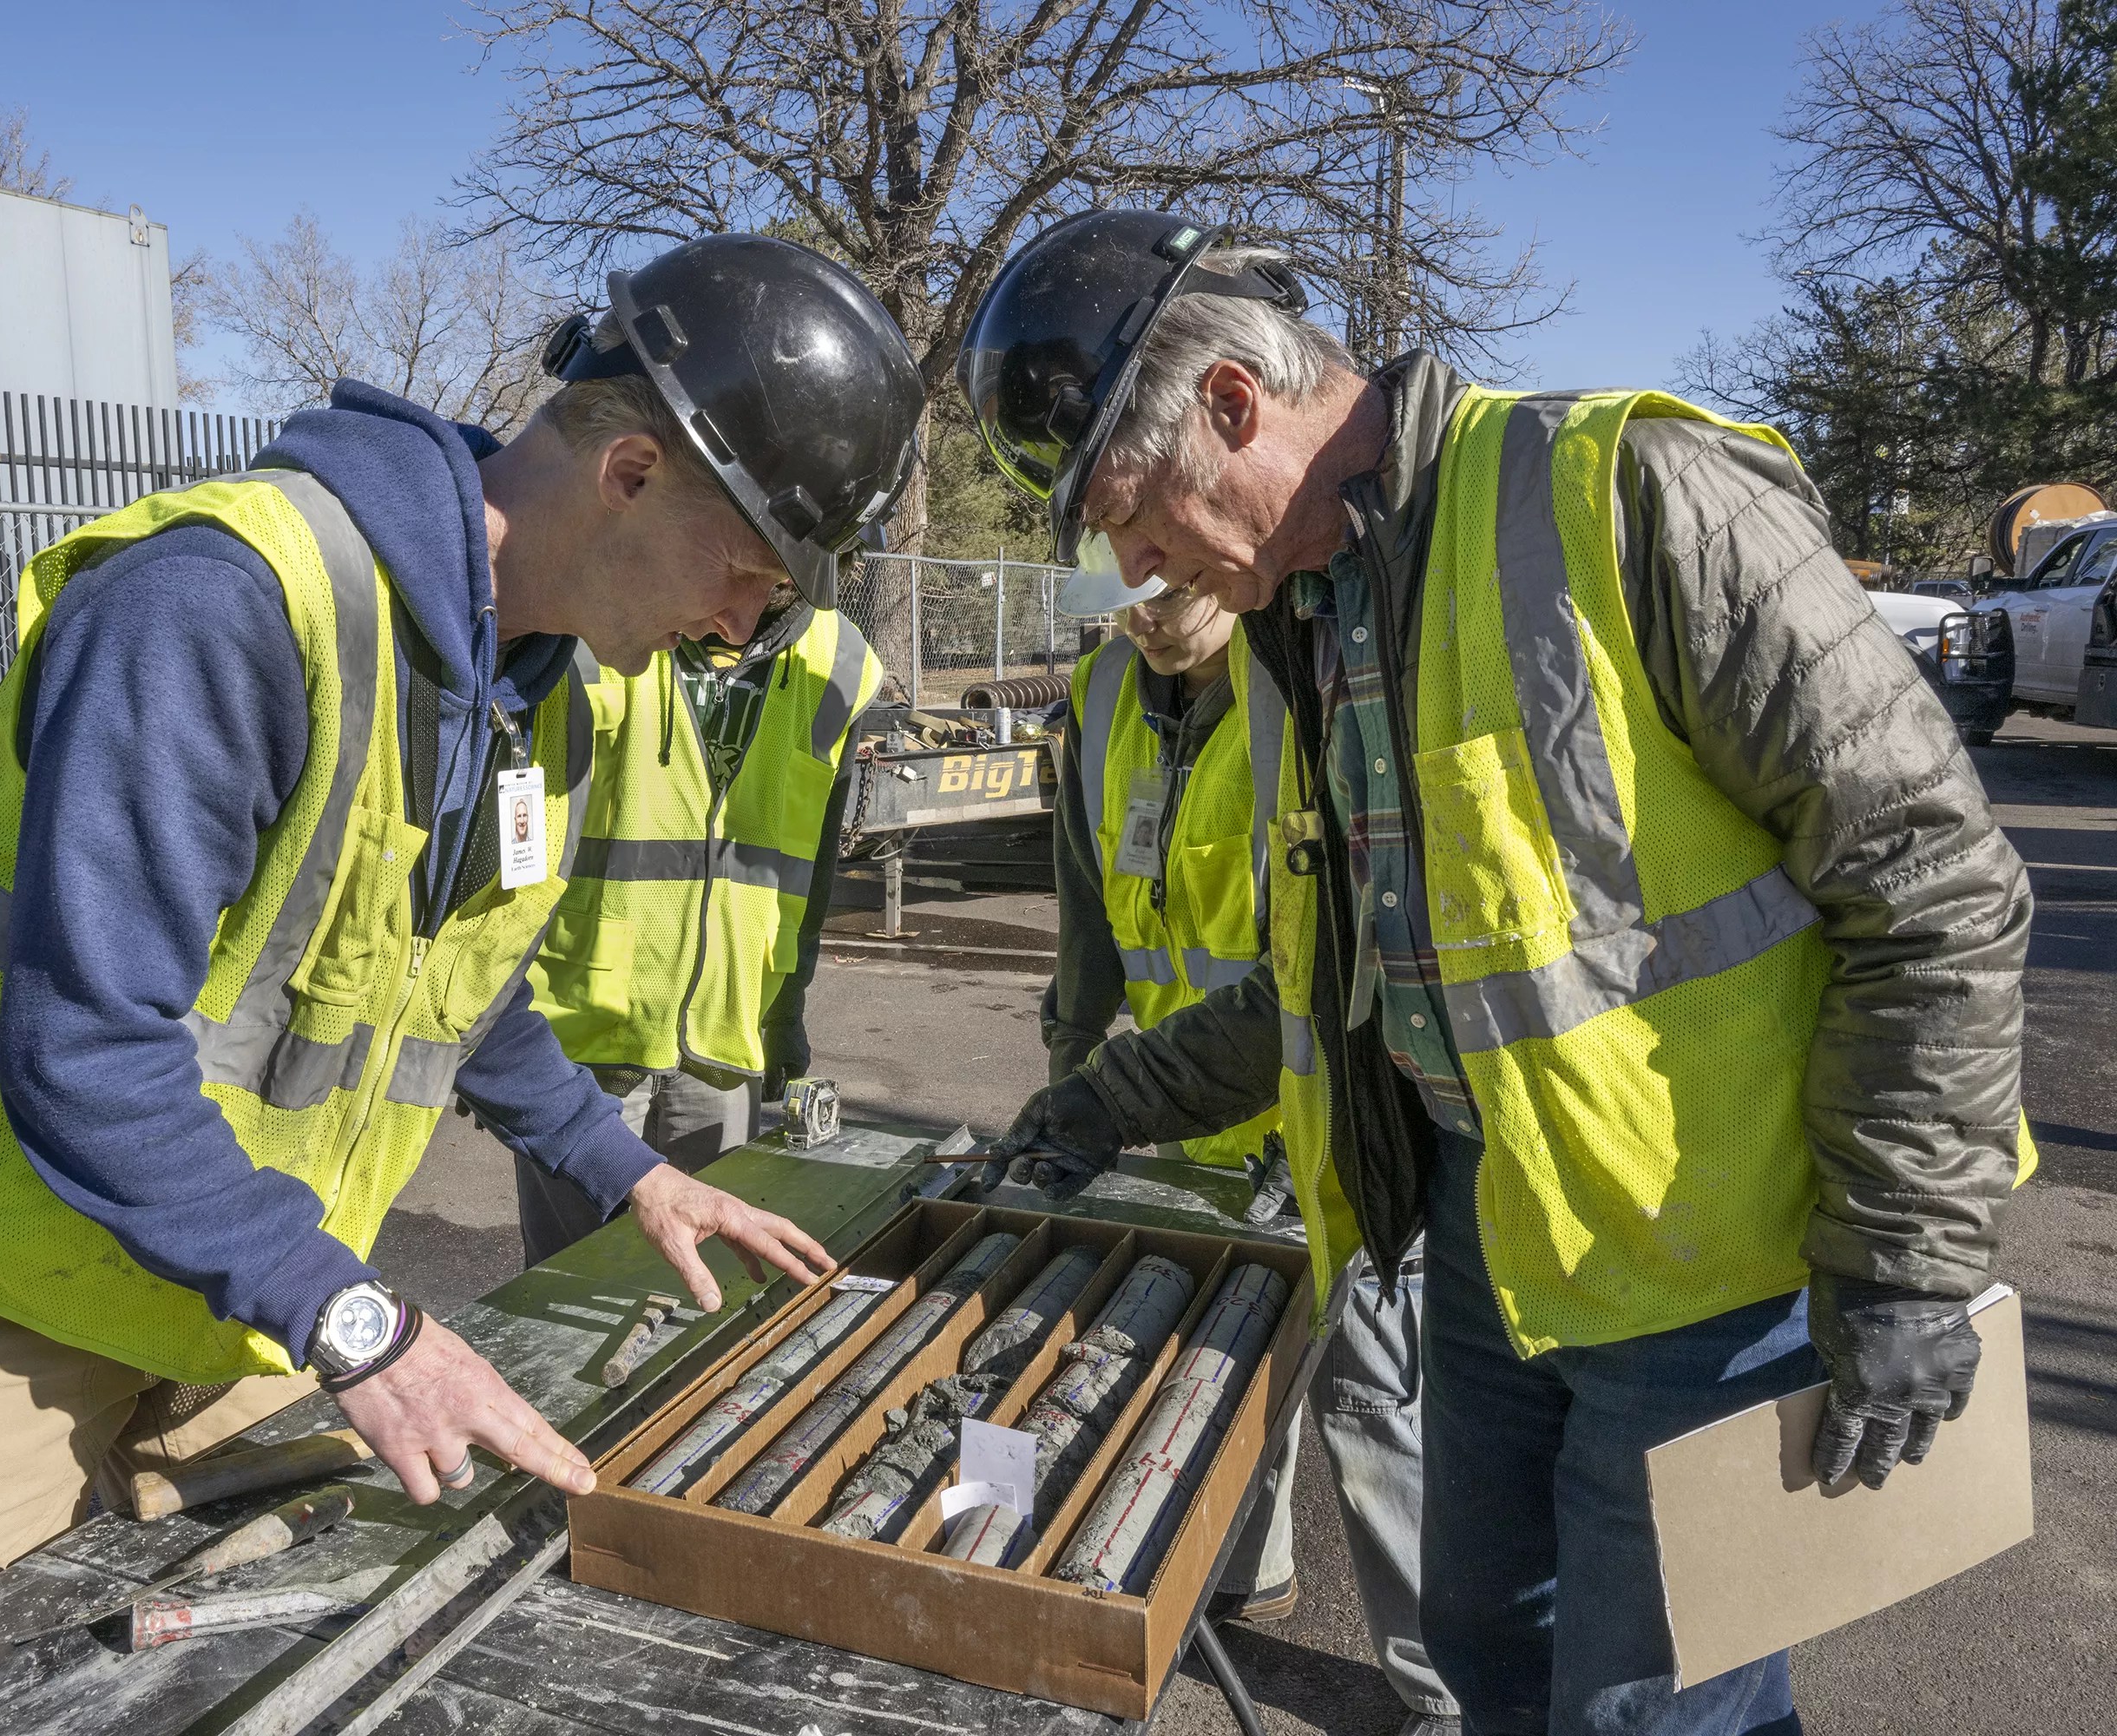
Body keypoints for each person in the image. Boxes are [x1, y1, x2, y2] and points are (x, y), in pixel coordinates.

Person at [0, 233, 926, 1665]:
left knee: (260, 1655)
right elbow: (83, 1045)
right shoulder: (223, 605)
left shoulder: (546, 690)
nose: (743, 624)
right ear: (628, 472)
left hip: (216, 1272)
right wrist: (360, 1324)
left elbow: (460, 992)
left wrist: (630, 1173)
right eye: (754, 572)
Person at [965, 209, 2033, 1735]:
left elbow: (1933, 876)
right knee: (1485, 1657)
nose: (1131, 570)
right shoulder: (1302, 627)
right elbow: (1338, 984)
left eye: (1131, 517)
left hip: (1713, 1278)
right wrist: (1107, 1096)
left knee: (1649, 1712)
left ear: (1229, 405)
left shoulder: (1625, 491)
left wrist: (1912, 1252)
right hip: (1488, 1245)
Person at [1044, 578, 1456, 1732]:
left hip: (1327, 1112)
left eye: (1164, 587)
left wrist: (1119, 1088)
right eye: (1118, 594)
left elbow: (1341, 947)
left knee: (1376, 1404)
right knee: (1222, 1361)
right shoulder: (1103, 688)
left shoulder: (1309, 684)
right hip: (1180, 1114)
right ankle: (1244, 1573)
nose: (1141, 612)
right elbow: (1088, 901)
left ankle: (1443, 1685)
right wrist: (1069, 1067)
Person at [513, 590, 879, 1262]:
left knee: (707, 1274)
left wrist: (786, 1007)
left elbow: (816, 863)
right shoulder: (599, 612)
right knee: (572, 1280)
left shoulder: (842, 662)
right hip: (580, 1028)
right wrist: (490, 1021)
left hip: (725, 1033)